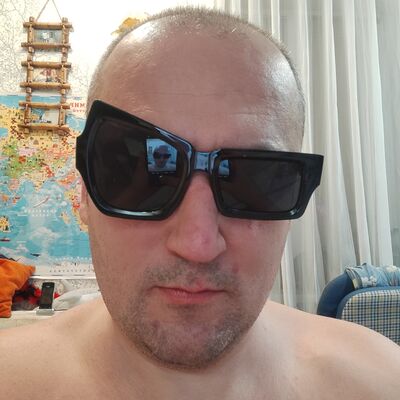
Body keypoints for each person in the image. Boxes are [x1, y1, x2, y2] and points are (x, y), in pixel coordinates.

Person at [1, 7, 400, 400]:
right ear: (84, 193)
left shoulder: (380, 381)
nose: (198, 244)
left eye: (252, 179)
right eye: (144, 174)